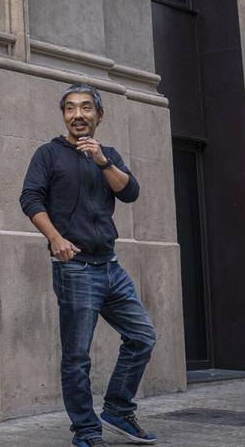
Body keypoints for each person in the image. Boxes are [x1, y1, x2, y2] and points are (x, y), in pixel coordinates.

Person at [19, 83, 158, 446]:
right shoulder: (48, 154)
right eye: (70, 108)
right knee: (78, 356)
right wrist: (55, 238)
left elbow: (129, 192)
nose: (77, 115)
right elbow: (30, 199)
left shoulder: (106, 154)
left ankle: (117, 409)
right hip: (75, 268)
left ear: (99, 115)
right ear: (63, 115)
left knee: (142, 336)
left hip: (110, 266)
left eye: (85, 108)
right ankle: (86, 430)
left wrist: (102, 161)